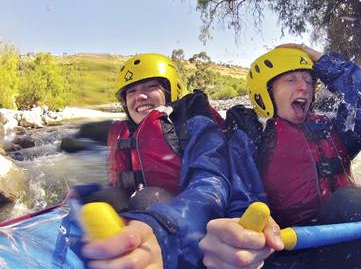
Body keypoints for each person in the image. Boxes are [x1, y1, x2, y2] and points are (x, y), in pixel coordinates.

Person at [56, 53, 250, 269]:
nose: (139, 96)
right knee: (102, 198)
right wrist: (84, 194)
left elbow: (212, 184)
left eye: (150, 87)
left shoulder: (193, 124)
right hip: (144, 216)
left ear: (170, 91)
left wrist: (164, 230)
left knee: (148, 198)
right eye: (132, 91)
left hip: (188, 226)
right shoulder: (123, 132)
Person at [199, 43, 361, 268]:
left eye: (308, 81)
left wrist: (321, 60)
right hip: (286, 252)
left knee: (353, 201)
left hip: (341, 241)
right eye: (291, 80)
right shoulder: (253, 139)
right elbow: (240, 197)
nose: (304, 87)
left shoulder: (331, 130)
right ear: (266, 93)